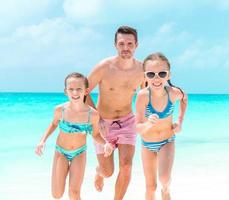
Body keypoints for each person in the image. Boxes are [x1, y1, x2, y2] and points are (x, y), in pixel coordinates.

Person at [86, 26, 144, 200]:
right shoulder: (104, 67)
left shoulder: (142, 69)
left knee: (126, 166)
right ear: (115, 45)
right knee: (108, 171)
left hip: (128, 122)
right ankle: (99, 172)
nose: (125, 47)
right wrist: (96, 119)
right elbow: (83, 92)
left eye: (129, 43)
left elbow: (145, 95)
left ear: (136, 45)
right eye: (121, 44)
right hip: (103, 124)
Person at [35, 72, 113, 200]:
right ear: (66, 91)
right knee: (57, 194)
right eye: (71, 89)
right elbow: (54, 124)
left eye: (79, 89)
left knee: (74, 192)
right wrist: (42, 141)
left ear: (86, 91)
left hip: (79, 153)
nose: (75, 93)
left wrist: (105, 144)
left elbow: (96, 134)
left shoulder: (92, 115)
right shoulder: (60, 110)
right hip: (61, 152)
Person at [135, 52, 188, 200]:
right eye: (151, 74)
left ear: (168, 75)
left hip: (167, 141)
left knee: (164, 180)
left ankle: (166, 190)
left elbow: (185, 98)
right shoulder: (143, 96)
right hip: (147, 145)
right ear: (145, 76)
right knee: (150, 187)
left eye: (162, 73)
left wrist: (180, 121)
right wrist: (147, 124)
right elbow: (137, 127)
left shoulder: (174, 93)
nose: (157, 78)